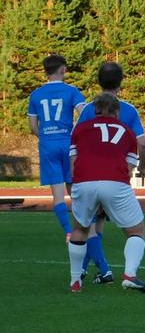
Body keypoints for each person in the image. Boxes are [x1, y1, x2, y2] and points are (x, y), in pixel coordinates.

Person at [67, 93, 145, 293]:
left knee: (80, 229)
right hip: (115, 181)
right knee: (136, 231)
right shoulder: (127, 132)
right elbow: (128, 167)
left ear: (95, 110)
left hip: (84, 181)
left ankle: (75, 281)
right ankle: (130, 275)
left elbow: (73, 163)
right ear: (117, 112)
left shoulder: (80, 129)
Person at [27, 54, 86, 237]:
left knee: (58, 194)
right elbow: (84, 113)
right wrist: (75, 131)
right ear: (63, 69)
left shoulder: (36, 94)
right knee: (74, 190)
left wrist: (46, 136)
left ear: (46, 72)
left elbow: (33, 126)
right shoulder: (72, 91)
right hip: (68, 143)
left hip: (48, 145)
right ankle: (82, 227)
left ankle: (68, 232)